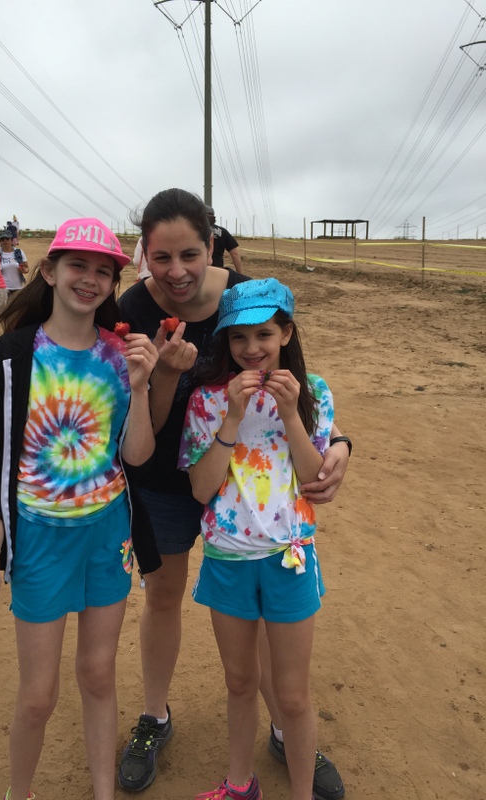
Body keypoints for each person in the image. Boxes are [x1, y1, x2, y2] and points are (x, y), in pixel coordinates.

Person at [116, 188, 349, 799]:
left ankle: (288, 729)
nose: (176, 271)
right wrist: (167, 374)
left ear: (212, 246)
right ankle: (155, 718)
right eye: (161, 257)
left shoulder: (244, 296)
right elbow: (142, 422)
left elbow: (300, 380)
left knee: (274, 648)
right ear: (144, 255)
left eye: (189, 254)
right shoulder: (132, 309)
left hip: (269, 513)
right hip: (173, 479)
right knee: (164, 597)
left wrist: (338, 440)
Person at [0, 217, 161, 800]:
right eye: (78, 265)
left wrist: (142, 385)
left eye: (104, 271)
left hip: (108, 536)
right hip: (40, 542)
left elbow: (136, 456)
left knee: (99, 675)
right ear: (49, 271)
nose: (90, 279)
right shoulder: (9, 358)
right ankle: (18, 793)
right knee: (38, 696)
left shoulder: (121, 355)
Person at [179, 277, 334, 800]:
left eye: (264, 334)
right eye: (238, 337)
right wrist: (232, 416)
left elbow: (314, 479)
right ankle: (240, 785)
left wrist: (290, 413)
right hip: (227, 557)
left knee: (292, 696)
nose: (251, 348)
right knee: (240, 682)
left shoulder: (313, 394)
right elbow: (202, 489)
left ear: (286, 333)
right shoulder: (206, 401)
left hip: (290, 557)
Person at [206, 205, 243, 273]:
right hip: (218, 270)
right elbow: (234, 253)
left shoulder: (195, 231)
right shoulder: (223, 231)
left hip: (201, 271)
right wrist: (239, 274)